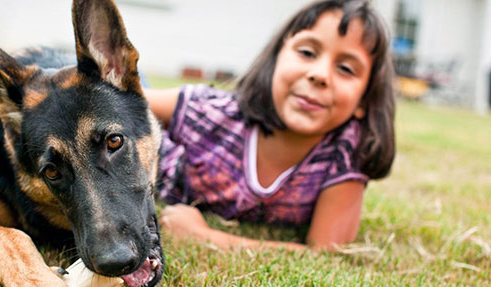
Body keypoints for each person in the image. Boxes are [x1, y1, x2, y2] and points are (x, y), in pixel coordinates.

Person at [144, 0, 395, 251]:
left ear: (364, 99)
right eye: (307, 52)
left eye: (345, 68)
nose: (320, 74)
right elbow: (126, 100)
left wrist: (203, 235)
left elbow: (326, 251)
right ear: (276, 58)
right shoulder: (210, 112)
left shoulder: (346, 151)